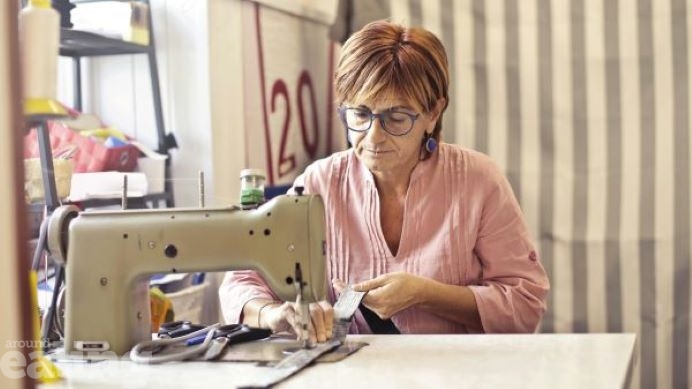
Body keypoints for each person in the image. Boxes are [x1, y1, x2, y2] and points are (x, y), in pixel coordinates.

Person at [219, 20, 549, 343]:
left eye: (396, 117)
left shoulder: (478, 181)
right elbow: (241, 280)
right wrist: (272, 314)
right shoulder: (319, 183)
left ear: (433, 113)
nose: (374, 137)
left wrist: (427, 294)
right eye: (360, 115)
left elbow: (526, 304)